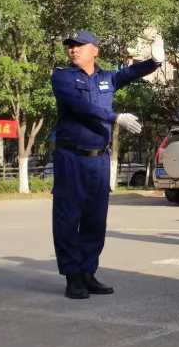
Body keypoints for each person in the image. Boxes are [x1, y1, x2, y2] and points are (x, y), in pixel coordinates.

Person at [51, 29, 163, 299]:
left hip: (98, 160)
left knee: (95, 219)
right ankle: (72, 276)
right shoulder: (62, 77)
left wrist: (155, 61)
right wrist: (115, 117)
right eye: (70, 46)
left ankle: (88, 272)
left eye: (79, 45)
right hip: (71, 158)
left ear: (95, 50)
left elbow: (131, 73)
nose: (73, 49)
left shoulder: (106, 78)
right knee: (68, 218)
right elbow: (80, 106)